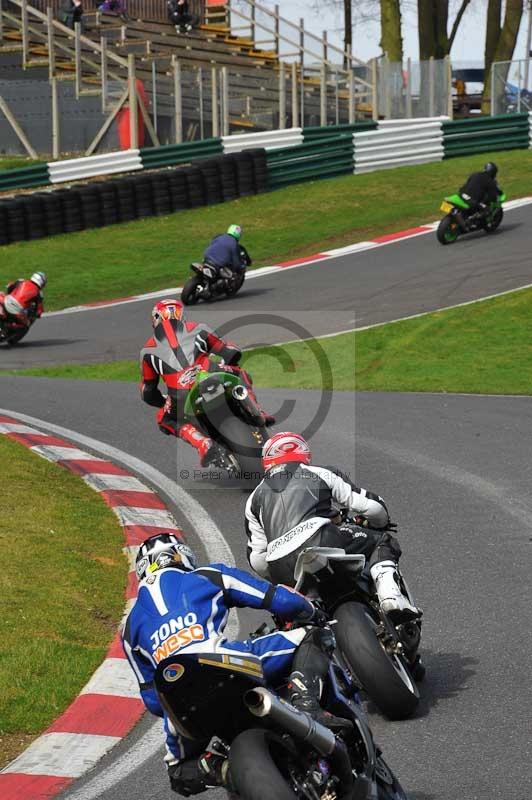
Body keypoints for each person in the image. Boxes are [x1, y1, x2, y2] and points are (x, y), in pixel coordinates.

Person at [122, 532, 346, 796]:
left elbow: (152, 700)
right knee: (312, 636)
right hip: (225, 664)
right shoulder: (207, 576)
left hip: (180, 702)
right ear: (180, 555)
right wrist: (312, 612)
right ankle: (307, 703)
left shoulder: (129, 629)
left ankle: (222, 768)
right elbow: (279, 600)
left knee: (178, 771)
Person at [245, 431, 419, 621]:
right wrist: (381, 523)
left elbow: (257, 558)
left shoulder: (253, 498)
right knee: (383, 541)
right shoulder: (318, 473)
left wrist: (277, 572)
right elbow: (372, 506)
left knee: (288, 620)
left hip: (279, 565)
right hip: (319, 540)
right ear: (303, 453)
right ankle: (390, 597)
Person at [140, 298, 274, 467]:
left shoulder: (147, 351)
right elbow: (229, 351)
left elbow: (147, 391)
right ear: (181, 315)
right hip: (211, 374)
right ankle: (258, 412)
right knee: (241, 373)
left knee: (164, 418)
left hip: (180, 393)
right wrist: (229, 358)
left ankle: (201, 442)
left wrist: (163, 401)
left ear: (155, 319)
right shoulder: (198, 328)